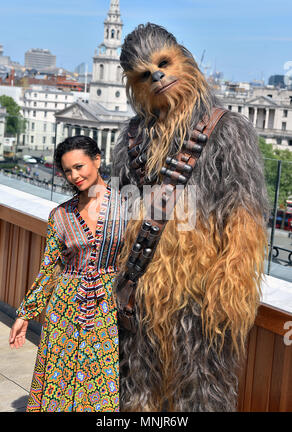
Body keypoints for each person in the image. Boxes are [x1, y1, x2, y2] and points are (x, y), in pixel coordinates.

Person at [112, 23, 269, 412]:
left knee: (201, 397)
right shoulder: (130, 138)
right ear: (135, 87)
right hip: (138, 291)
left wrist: (230, 287)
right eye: (145, 74)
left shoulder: (227, 131)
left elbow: (244, 215)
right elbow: (115, 215)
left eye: (163, 63)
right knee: (136, 395)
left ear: (184, 57)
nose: (158, 76)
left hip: (201, 295)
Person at [9, 136, 125, 412]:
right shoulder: (59, 215)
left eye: (79, 166)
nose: (74, 176)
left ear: (97, 160)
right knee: (60, 379)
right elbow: (50, 268)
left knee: (103, 384)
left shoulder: (129, 205)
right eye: (68, 171)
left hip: (109, 307)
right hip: (64, 310)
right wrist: (25, 315)